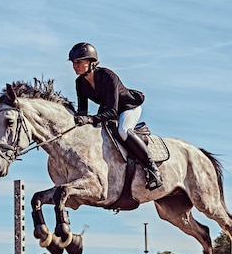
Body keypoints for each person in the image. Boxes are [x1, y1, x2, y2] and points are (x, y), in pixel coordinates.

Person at [68, 42, 163, 190]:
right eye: (74, 62)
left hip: (128, 108)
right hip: (107, 111)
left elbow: (112, 111)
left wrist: (92, 119)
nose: (75, 65)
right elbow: (82, 112)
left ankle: (152, 169)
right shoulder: (80, 83)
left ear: (92, 63)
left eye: (79, 62)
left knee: (123, 131)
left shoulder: (108, 76)